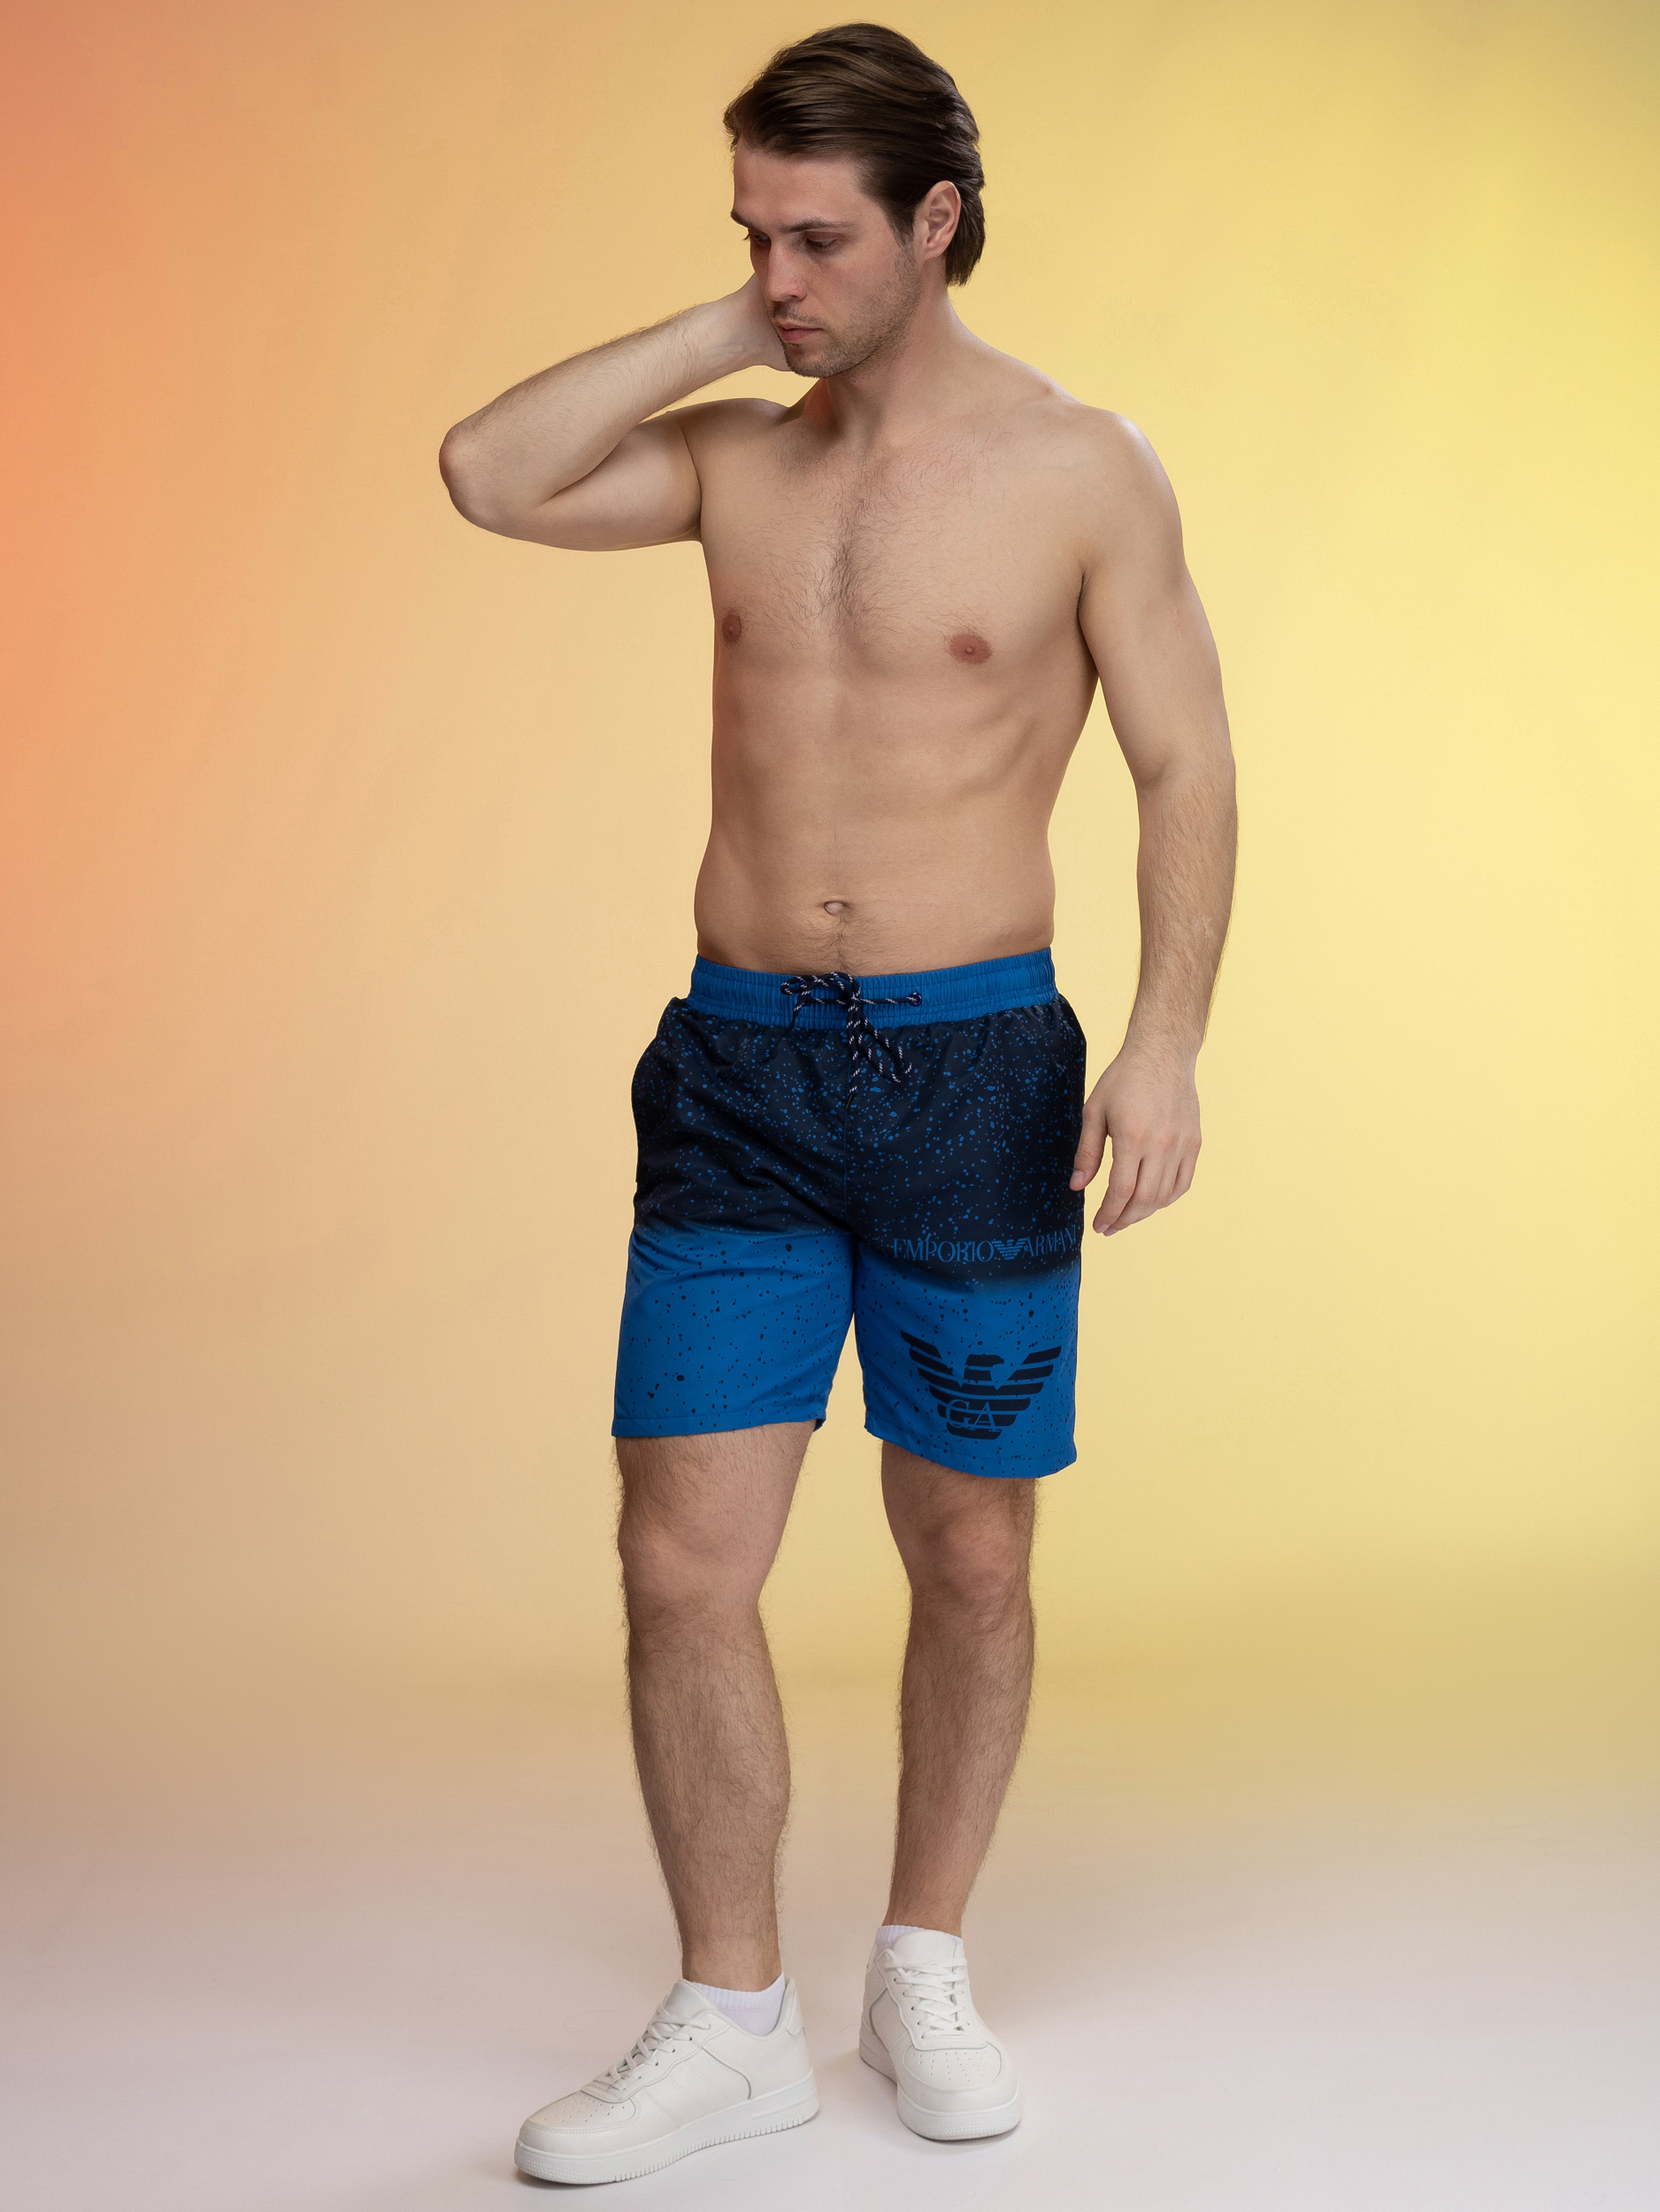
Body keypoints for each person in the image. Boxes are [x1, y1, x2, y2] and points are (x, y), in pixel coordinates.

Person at [440, 20, 1236, 2187]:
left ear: (934, 223)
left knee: (966, 1548)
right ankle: (731, 2016)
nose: (775, 273)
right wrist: (740, 328)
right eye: (749, 235)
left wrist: (1164, 1036)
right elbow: (486, 471)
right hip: (738, 1074)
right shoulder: (732, 459)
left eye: (815, 239)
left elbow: (1182, 757)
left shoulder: (1082, 468)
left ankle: (920, 1956)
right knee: (676, 1559)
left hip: (978, 1068)